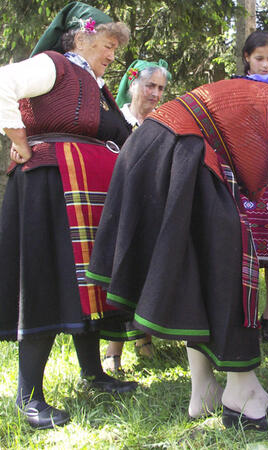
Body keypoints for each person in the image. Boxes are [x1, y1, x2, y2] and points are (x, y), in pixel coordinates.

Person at [86, 74, 268, 431]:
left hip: (161, 148)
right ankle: (245, 398)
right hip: (178, 148)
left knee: (198, 268)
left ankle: (204, 390)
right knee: (232, 266)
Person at [0, 2, 137, 430]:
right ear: (81, 37)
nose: (113, 53)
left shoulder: (96, 85)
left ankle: (93, 373)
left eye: (116, 46)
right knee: (45, 279)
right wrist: (18, 137)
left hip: (86, 193)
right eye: (108, 43)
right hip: (51, 188)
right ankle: (29, 396)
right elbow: (4, 80)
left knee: (87, 285)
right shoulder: (54, 64)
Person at [102, 59, 171, 372]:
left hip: (151, 208)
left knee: (147, 271)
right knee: (120, 273)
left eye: (160, 88)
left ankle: (144, 340)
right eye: (150, 85)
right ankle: (112, 352)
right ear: (133, 85)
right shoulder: (116, 119)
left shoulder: (162, 122)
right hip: (118, 209)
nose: (155, 93)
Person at [238, 31, 268, 343]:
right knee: (244, 247)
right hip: (243, 175)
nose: (266, 64)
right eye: (259, 58)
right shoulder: (236, 88)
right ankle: (244, 314)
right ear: (247, 58)